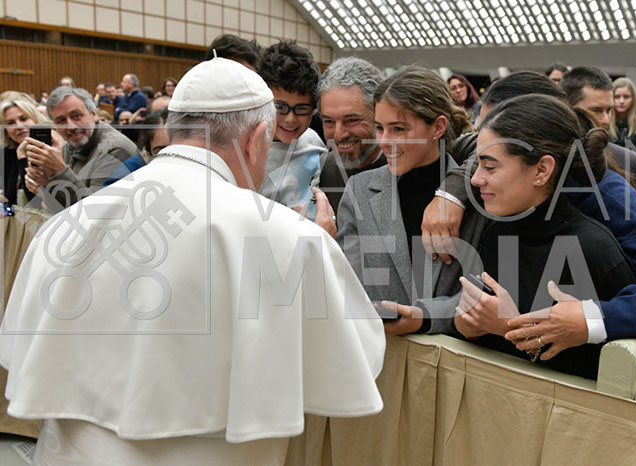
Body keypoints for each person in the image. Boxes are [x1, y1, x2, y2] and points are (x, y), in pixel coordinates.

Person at [0, 57, 384, 465]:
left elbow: (19, 349)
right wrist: (318, 249)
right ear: (257, 138)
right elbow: (357, 356)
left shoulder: (69, 224)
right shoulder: (287, 237)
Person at [419, 72, 636, 369]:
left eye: (491, 160)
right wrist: (449, 194)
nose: (478, 175)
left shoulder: (604, 196)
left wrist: (589, 318)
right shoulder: (507, 208)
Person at [453, 94, 636, 379]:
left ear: (541, 170)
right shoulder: (494, 233)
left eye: (490, 167)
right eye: (478, 165)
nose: (476, 179)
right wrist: (469, 327)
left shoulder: (593, 248)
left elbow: (621, 367)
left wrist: (510, 326)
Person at [336, 65, 478, 335]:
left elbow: (483, 290)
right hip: (379, 350)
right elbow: (348, 283)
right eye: (380, 128)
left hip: (451, 352)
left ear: (438, 127)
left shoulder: (475, 194)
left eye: (398, 129)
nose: (384, 141)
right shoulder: (359, 190)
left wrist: (426, 316)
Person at [21, 86, 136, 213]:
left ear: (93, 115)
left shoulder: (115, 149)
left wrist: (60, 170)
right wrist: (47, 184)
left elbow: (95, 213)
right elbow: (60, 210)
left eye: (76, 116)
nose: (71, 126)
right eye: (61, 120)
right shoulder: (69, 146)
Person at [257, 40, 327, 220]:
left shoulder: (314, 143)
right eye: (279, 107)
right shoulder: (248, 151)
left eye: (302, 109)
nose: (290, 119)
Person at [561, 67, 636, 199]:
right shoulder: (549, 157)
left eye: (609, 110)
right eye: (596, 110)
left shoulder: (628, 161)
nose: (605, 120)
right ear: (568, 106)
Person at [317, 57, 386, 211]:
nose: (338, 135)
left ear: (380, 114)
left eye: (352, 120)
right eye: (328, 121)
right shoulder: (321, 170)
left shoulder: (405, 168)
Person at [0, 97, 58, 205]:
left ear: (36, 119)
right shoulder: (7, 152)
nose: (19, 126)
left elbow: (35, 202)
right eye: (10, 123)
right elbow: (9, 197)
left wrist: (22, 157)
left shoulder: (52, 148)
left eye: (24, 119)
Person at [609, 77, 636, 154]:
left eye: (626, 97)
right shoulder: (603, 123)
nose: (621, 101)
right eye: (617, 97)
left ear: (633, 99)